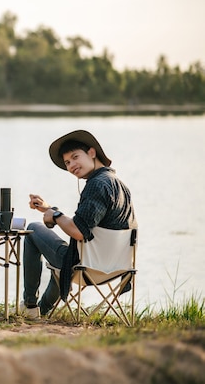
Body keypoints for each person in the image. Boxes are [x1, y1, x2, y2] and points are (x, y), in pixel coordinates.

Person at [21, 130, 137, 318]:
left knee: (34, 229)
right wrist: (49, 209)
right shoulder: (118, 184)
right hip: (117, 266)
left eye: (75, 157)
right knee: (59, 259)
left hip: (88, 266)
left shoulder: (97, 184)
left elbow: (78, 231)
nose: (72, 165)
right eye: (67, 162)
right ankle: (39, 310)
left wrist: (55, 215)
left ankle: (29, 305)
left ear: (92, 153)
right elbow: (86, 223)